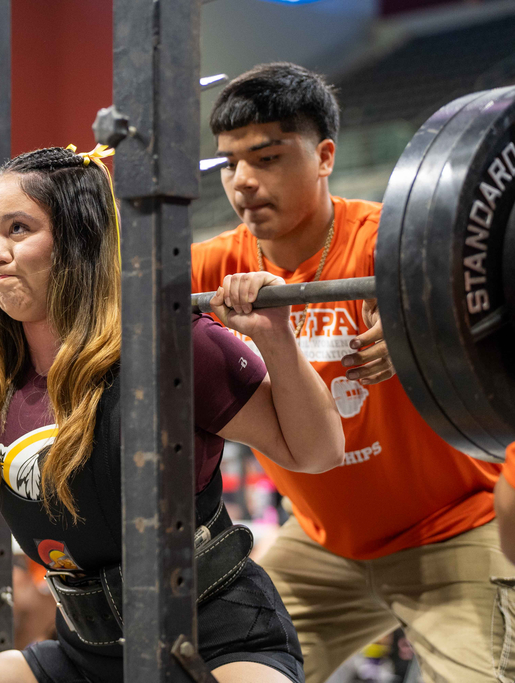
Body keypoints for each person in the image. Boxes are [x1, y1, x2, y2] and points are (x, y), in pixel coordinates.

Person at [0, 144, 346, 683]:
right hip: (85, 656)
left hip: (213, 639)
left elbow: (319, 451)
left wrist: (277, 339)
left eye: (18, 230)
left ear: (77, 240)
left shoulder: (175, 345)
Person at [190, 62, 515, 682]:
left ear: (325, 156)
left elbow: (488, 322)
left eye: (267, 157)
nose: (243, 182)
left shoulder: (396, 246)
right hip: (321, 546)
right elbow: (99, 306)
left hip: (450, 535)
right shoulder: (216, 268)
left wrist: (425, 336)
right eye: (230, 163)